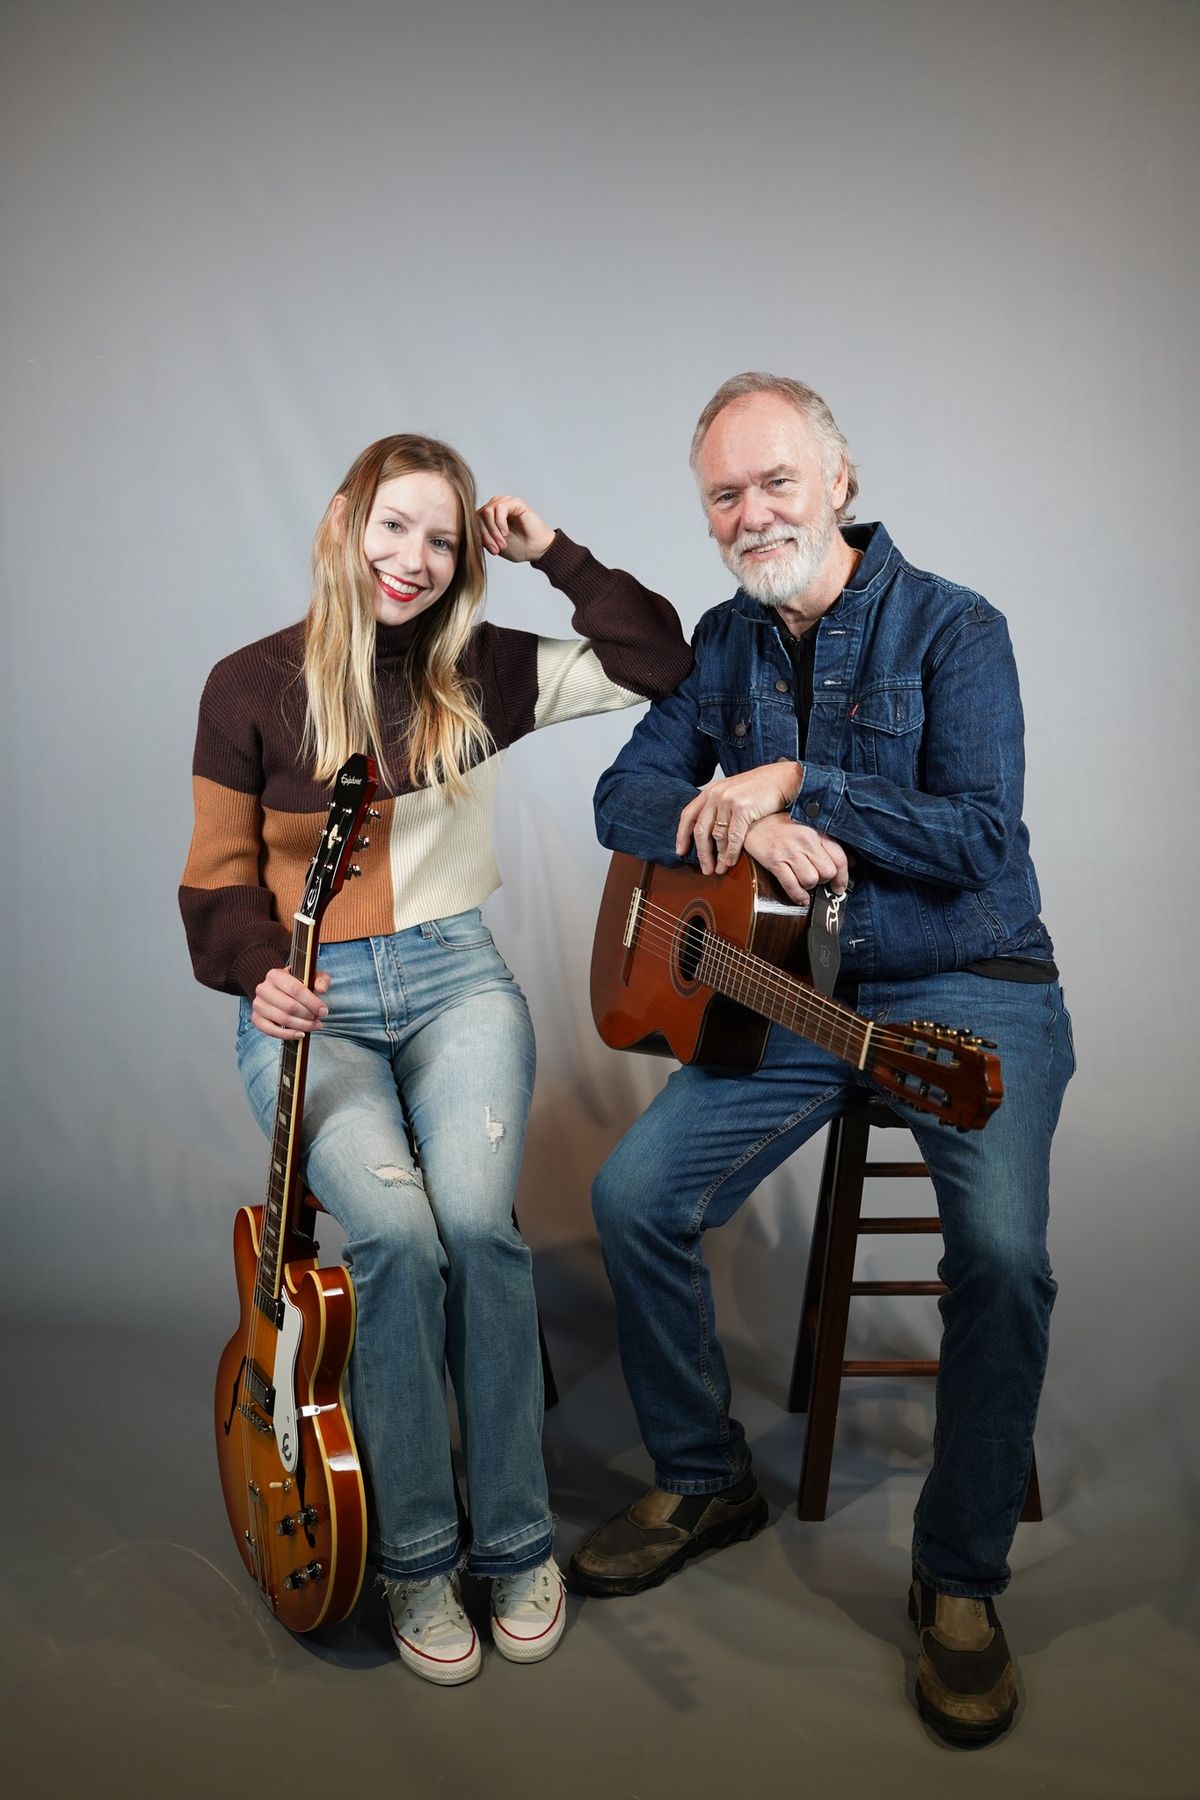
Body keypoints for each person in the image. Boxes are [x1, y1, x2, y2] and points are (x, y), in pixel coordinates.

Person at [569, 373, 1075, 1747]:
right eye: (724, 494)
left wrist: (795, 788)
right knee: (631, 1199)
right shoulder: (721, 649)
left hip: (971, 985)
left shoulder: (957, 627)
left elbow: (979, 836)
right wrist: (713, 813)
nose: (751, 512)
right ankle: (703, 1473)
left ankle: (957, 1573)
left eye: (776, 481)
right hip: (788, 993)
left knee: (1004, 1259)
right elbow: (620, 799)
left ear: (839, 479)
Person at [180, 433, 691, 1685]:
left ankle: (516, 1543)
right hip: (316, 1011)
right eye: (395, 526)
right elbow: (213, 879)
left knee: (478, 1229)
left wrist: (552, 550)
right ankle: (414, 1561)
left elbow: (659, 662)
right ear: (348, 522)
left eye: (444, 538)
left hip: (460, 986)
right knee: (398, 1244)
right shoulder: (248, 685)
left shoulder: (481, 672)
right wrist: (262, 969)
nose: (414, 559)